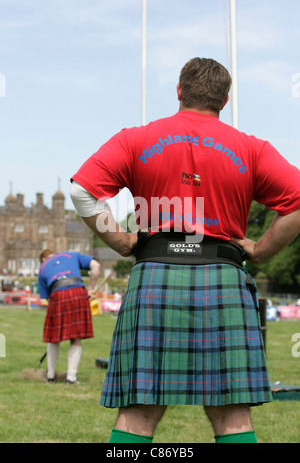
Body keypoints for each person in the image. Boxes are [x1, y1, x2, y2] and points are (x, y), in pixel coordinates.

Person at [70, 57, 300, 443]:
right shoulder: (250, 148)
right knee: (232, 414)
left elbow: (82, 191)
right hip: (223, 276)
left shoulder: (136, 139)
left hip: (154, 274)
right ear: (224, 100)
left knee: (138, 412)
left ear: (179, 91)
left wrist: (121, 240)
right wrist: (259, 250)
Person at [38, 248, 101, 384]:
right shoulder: (72, 254)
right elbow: (96, 266)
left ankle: (50, 376)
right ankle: (71, 378)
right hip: (78, 292)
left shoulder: (43, 267)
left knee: (53, 338)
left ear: (43, 259)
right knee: (76, 337)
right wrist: (91, 288)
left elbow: (47, 299)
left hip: (57, 294)